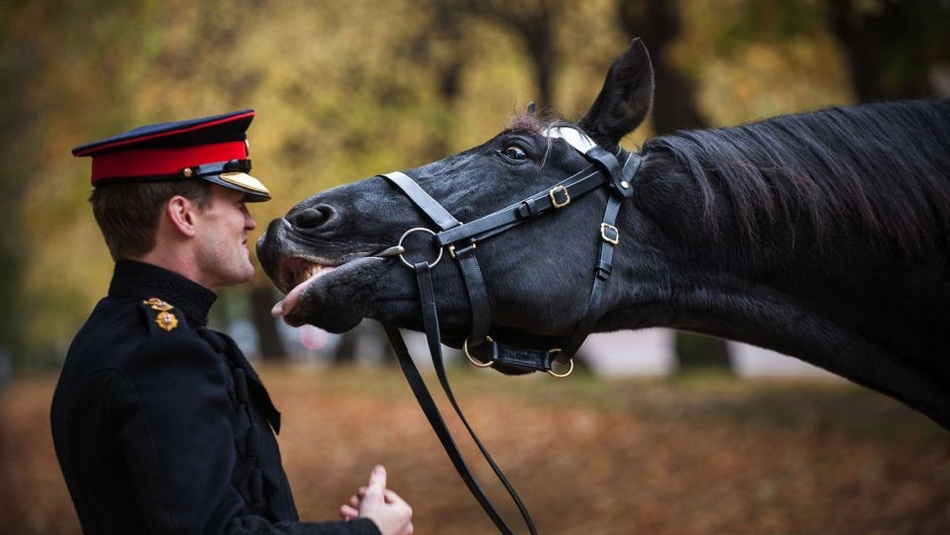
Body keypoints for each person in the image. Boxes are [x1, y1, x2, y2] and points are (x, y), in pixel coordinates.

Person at [50, 110, 413, 535]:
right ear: (183, 215)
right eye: (238, 204)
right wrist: (368, 533)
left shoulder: (114, 331)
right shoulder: (164, 355)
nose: (251, 222)